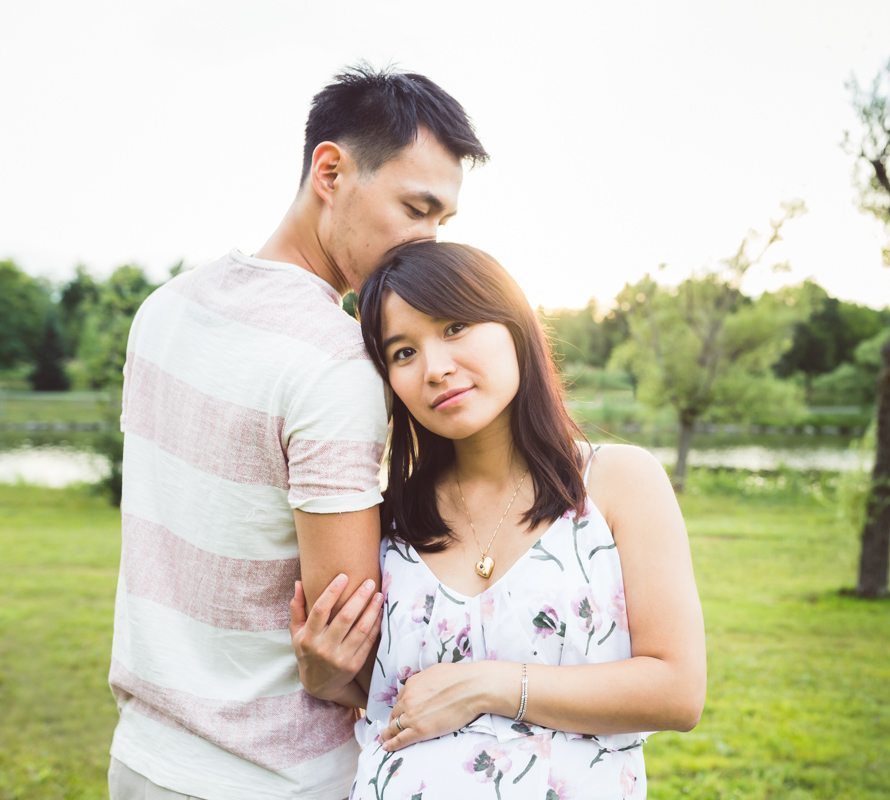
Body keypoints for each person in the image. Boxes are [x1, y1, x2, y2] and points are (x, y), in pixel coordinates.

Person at [108, 67, 487, 800]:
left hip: (142, 760)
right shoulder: (339, 364)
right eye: (417, 208)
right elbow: (347, 642)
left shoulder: (164, 308)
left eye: (443, 222)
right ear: (331, 171)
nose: (429, 243)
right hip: (274, 777)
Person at [294, 240, 707, 799]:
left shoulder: (619, 483)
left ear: (515, 324)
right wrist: (329, 678)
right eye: (402, 352)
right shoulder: (389, 518)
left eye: (455, 326)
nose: (435, 368)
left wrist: (489, 685)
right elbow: (396, 692)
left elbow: (677, 690)